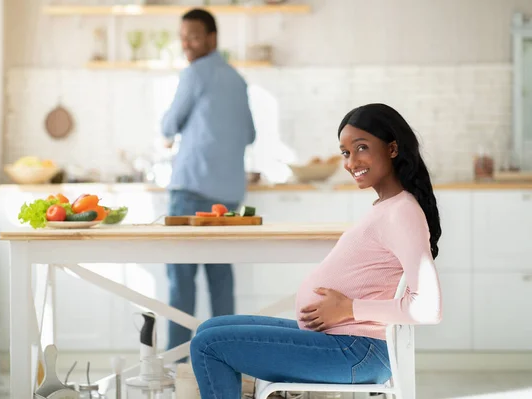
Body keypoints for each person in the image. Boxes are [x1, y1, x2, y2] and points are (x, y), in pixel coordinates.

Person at [189, 103, 443, 398]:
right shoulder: (388, 207)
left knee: (208, 345)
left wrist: (349, 308)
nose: (351, 162)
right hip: (345, 344)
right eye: (346, 153)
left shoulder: (402, 212)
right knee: (210, 328)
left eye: (361, 147)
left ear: (393, 148)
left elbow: (428, 307)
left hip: (356, 352)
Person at [161, 8, 256, 352]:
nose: (186, 43)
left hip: (190, 191)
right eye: (183, 36)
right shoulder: (237, 79)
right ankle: (224, 357)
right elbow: (249, 134)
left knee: (181, 283)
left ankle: (176, 365)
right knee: (220, 280)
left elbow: (168, 125)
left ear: (213, 38)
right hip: (228, 198)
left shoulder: (195, 74)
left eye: (194, 36)